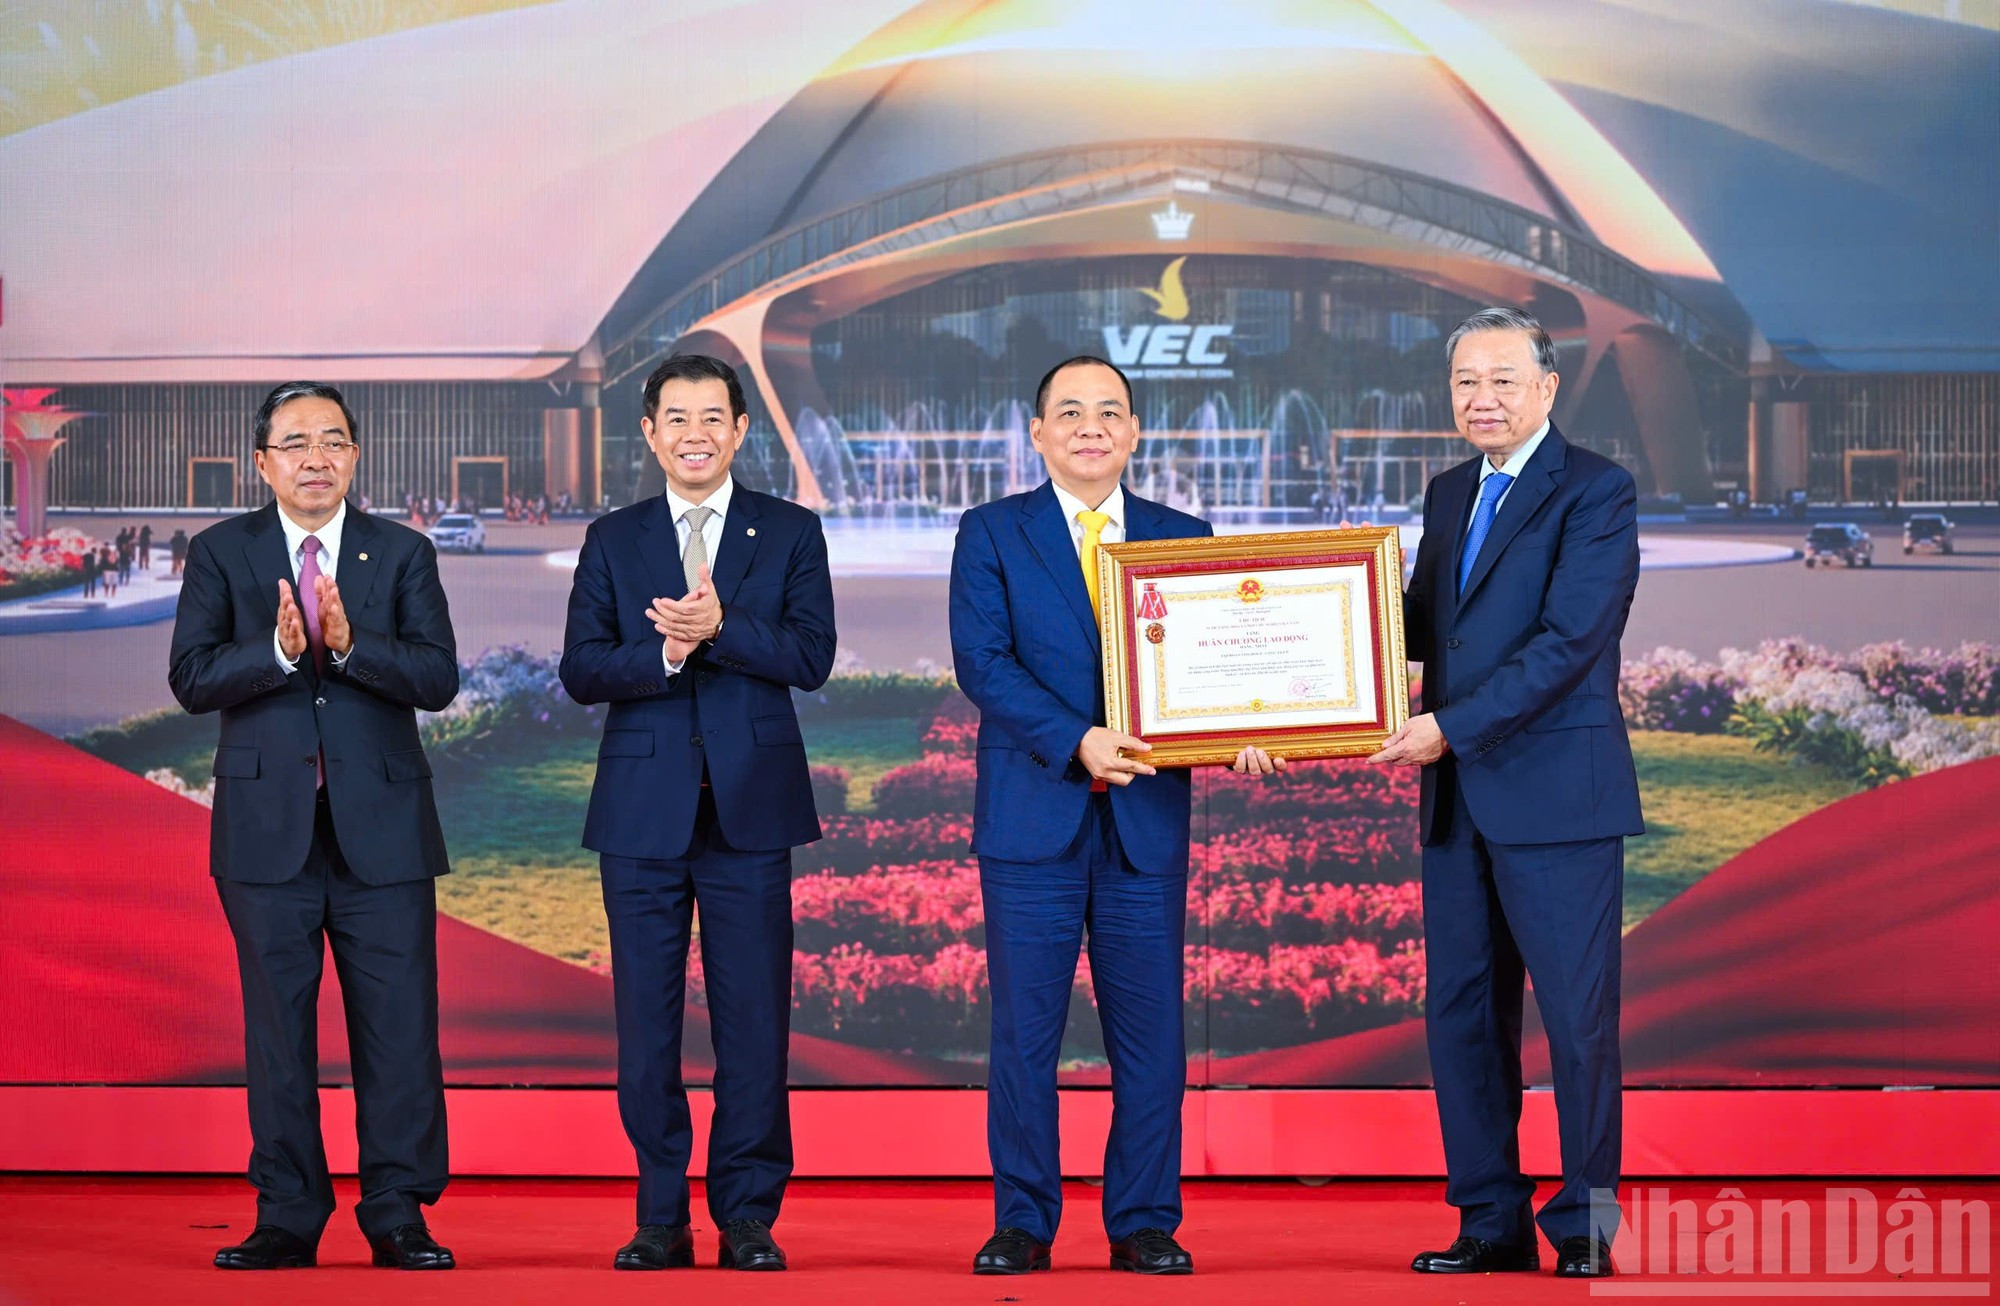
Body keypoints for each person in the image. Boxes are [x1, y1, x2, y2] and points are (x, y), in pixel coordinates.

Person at [949, 356, 1279, 1279]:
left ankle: (1143, 1221)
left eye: (1109, 412)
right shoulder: (990, 533)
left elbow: (1214, 673)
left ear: (1134, 433)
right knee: (1023, 1034)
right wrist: (1079, 739)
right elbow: (984, 664)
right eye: (1069, 412)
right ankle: (1023, 1221)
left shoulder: (1185, 535)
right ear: (1038, 433)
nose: (1089, 426)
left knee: (1151, 1037)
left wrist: (1246, 729)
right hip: (1032, 819)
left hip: (1145, 825)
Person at [1369, 308, 1641, 1281]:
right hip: (1456, 806)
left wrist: (1448, 725)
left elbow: (1568, 644)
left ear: (1543, 387)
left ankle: (1582, 1227)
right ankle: (1486, 1218)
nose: (1479, 398)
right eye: (1462, 383)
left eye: (1498, 380)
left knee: (1576, 1024)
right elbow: (1416, 624)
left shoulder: (1595, 492)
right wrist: (1310, 612)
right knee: (1462, 1019)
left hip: (1556, 796)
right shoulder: (1448, 493)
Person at [167, 381, 460, 1272]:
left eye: (333, 440)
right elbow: (191, 676)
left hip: (384, 830)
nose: (315, 458)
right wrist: (285, 651)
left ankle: (398, 1211)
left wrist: (354, 643)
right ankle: (289, 1213)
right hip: (268, 834)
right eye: (295, 443)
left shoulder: (401, 554)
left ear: (356, 456)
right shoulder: (222, 553)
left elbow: (438, 677)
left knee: (400, 1028)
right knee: (278, 1032)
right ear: (263, 462)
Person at [560, 354, 836, 1274]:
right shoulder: (614, 538)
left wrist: (720, 628)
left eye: (712, 418)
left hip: (750, 816)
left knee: (754, 1024)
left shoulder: (790, 532)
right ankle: (658, 1215)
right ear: (648, 432)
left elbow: (810, 655)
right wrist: (668, 654)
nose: (694, 435)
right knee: (646, 1029)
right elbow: (584, 668)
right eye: (675, 418)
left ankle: (748, 1217)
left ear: (741, 428)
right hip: (642, 816)